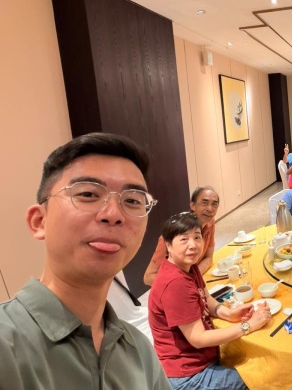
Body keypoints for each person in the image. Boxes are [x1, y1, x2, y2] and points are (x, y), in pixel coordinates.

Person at [0, 132, 170, 389]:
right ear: (39, 221)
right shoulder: (6, 346)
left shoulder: (140, 351)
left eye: (132, 200)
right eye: (88, 194)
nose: (114, 214)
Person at [149, 212, 272, 390]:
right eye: (184, 239)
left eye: (197, 237)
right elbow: (198, 338)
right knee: (262, 378)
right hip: (188, 376)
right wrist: (249, 325)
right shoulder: (175, 283)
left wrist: (227, 313)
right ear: (168, 245)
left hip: (200, 360)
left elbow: (206, 297)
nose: (193, 245)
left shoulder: (188, 266)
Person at [144, 186, 220, 285]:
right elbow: (148, 277)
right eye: (204, 203)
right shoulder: (173, 234)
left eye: (214, 204)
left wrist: (193, 278)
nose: (210, 209)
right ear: (192, 205)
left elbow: (209, 258)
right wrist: (184, 282)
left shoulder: (210, 223)